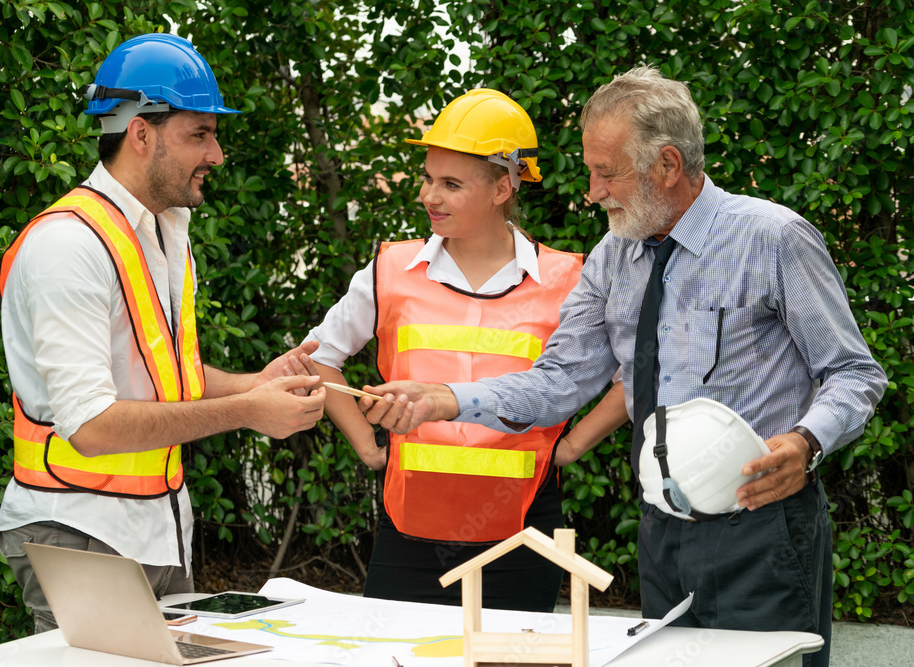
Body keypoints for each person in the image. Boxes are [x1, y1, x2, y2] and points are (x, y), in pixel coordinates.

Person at [359, 67, 887, 667]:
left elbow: (854, 372)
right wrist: (443, 399)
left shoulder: (773, 238)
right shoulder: (614, 256)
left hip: (762, 525)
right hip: (661, 530)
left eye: (606, 172)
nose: (591, 191)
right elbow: (560, 380)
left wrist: (805, 443)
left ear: (666, 164)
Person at [0, 33, 326, 633]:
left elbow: (161, 381)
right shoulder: (68, 245)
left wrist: (252, 384)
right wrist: (248, 411)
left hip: (155, 529)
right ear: (140, 135)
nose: (217, 154)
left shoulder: (164, 229)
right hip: (80, 530)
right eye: (199, 134)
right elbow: (91, 426)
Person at [304, 88, 627, 612]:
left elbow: (632, 372)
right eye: (429, 178)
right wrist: (367, 446)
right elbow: (318, 357)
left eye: (451, 184)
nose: (429, 195)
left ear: (504, 186)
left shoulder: (569, 278)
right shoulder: (392, 270)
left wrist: (571, 446)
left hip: (523, 532)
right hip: (408, 532)